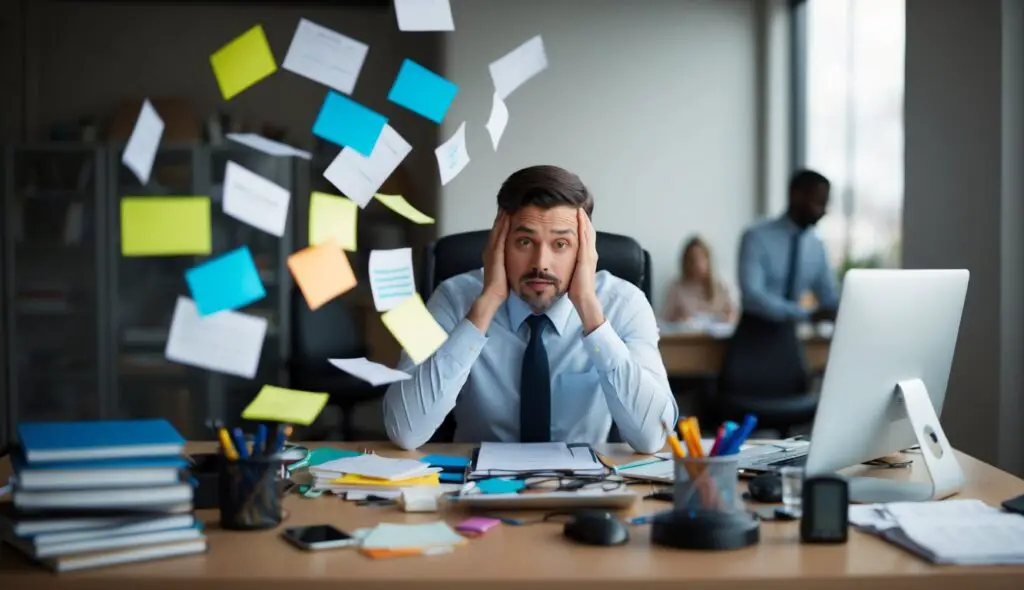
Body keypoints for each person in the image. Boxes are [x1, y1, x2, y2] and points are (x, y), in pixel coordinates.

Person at [383, 165, 677, 453]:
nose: (541, 263)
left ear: (584, 251)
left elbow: (653, 436)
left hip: (586, 490)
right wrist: (484, 307)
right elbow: (404, 431)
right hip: (477, 490)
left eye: (560, 244)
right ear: (499, 242)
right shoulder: (450, 297)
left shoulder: (625, 304)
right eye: (524, 242)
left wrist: (589, 310)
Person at [737, 169, 839, 323]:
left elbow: (828, 295)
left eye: (825, 205)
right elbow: (753, 296)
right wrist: (805, 314)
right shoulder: (756, 236)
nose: (823, 211)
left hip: (791, 336)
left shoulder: (816, 246)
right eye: (818, 203)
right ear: (796, 196)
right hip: (755, 334)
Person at [662, 236, 738, 323]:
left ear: (708, 260)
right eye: (692, 259)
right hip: (687, 335)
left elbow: (734, 314)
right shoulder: (676, 287)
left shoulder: (722, 284)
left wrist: (729, 317)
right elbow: (665, 320)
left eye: (701, 258)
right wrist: (677, 319)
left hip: (717, 335)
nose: (697, 264)